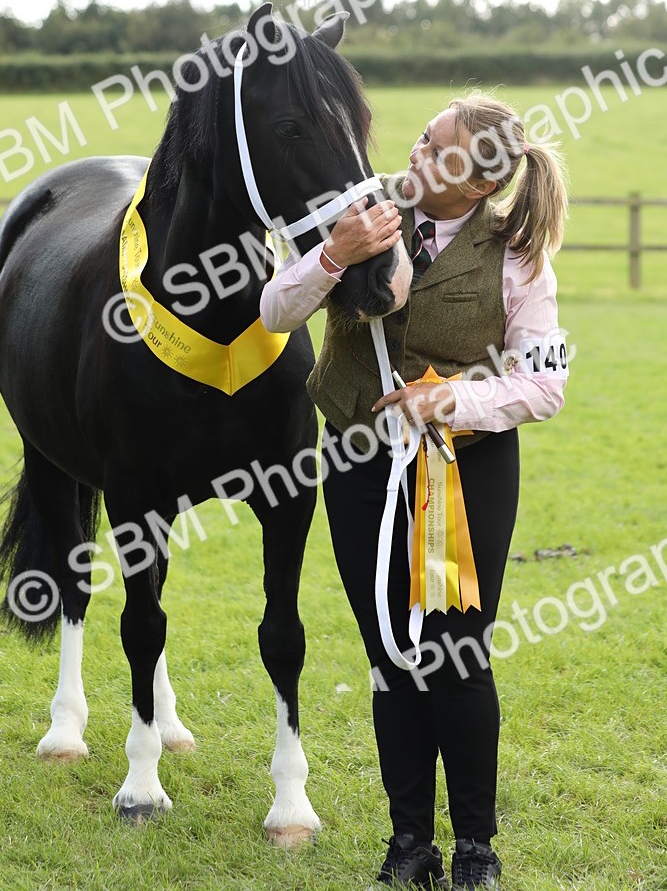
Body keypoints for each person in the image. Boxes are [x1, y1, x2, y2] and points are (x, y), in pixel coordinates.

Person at [260, 93, 569, 890]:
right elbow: (271, 311)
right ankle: (410, 845)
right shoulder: (360, 213)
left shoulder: (518, 256)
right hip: (360, 464)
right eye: (421, 139)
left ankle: (476, 850)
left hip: (466, 476)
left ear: (473, 185)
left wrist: (451, 400)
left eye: (437, 152)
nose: (414, 157)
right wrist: (333, 255)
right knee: (391, 658)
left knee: (457, 659)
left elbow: (547, 383)